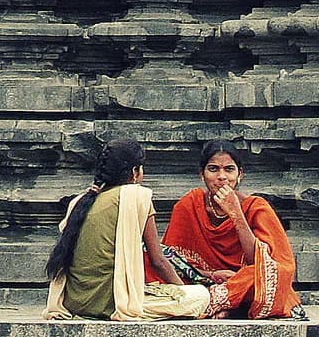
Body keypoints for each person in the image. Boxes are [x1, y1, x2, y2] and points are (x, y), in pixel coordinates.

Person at [45, 137, 212, 321]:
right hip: (112, 304)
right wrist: (183, 292)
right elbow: (158, 261)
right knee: (201, 295)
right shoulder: (136, 196)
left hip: (74, 303)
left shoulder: (80, 201)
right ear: (135, 171)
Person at [159, 139, 303, 319]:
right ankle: (231, 304)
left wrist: (236, 213)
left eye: (229, 169)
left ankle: (217, 302)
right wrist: (211, 274)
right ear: (201, 175)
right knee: (148, 259)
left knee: (271, 275)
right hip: (202, 281)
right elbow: (174, 261)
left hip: (245, 281)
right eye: (213, 169)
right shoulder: (188, 205)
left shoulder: (256, 207)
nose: (221, 177)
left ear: (240, 174)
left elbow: (262, 262)